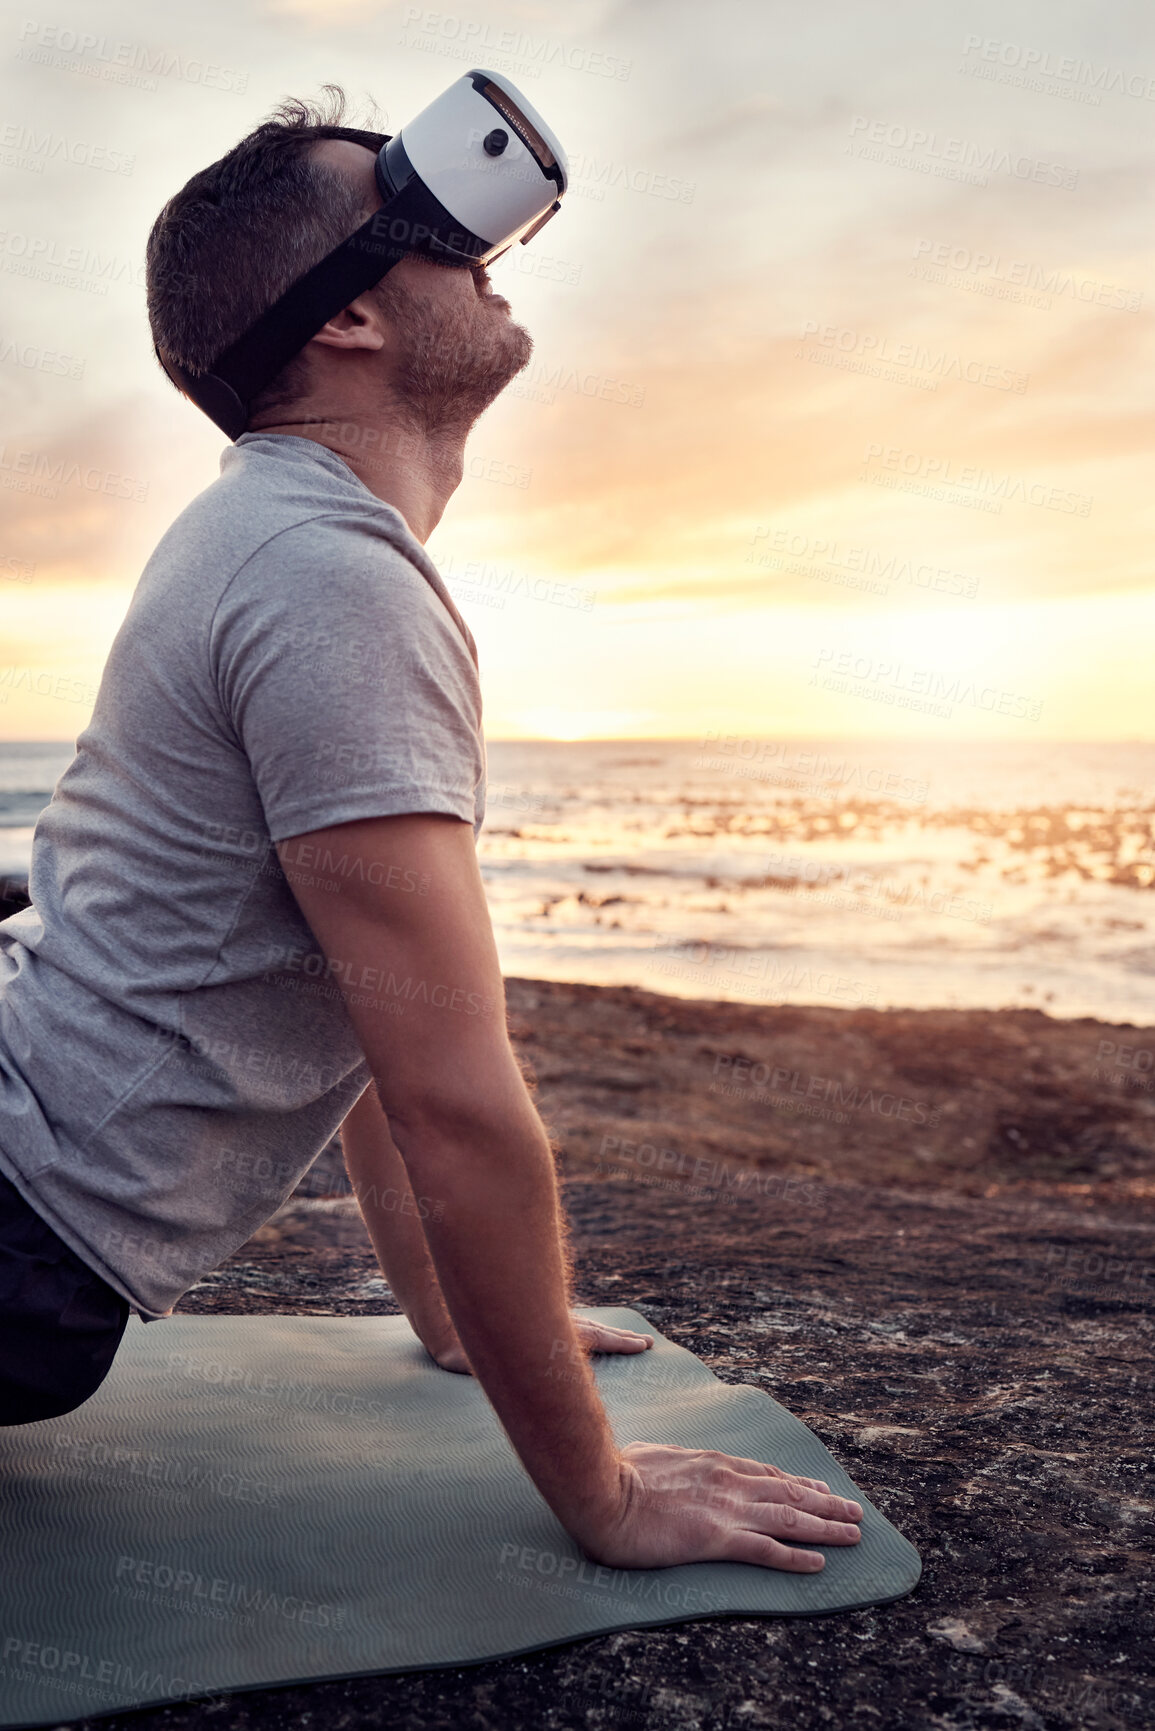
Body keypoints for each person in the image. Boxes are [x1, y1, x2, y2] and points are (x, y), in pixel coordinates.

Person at [0, 88, 862, 1573]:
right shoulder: (326, 578)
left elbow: (368, 1003)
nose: (483, 243)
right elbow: (455, 1094)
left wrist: (452, 1310)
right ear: (345, 324)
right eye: (419, 210)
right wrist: (602, 1493)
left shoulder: (277, 537)